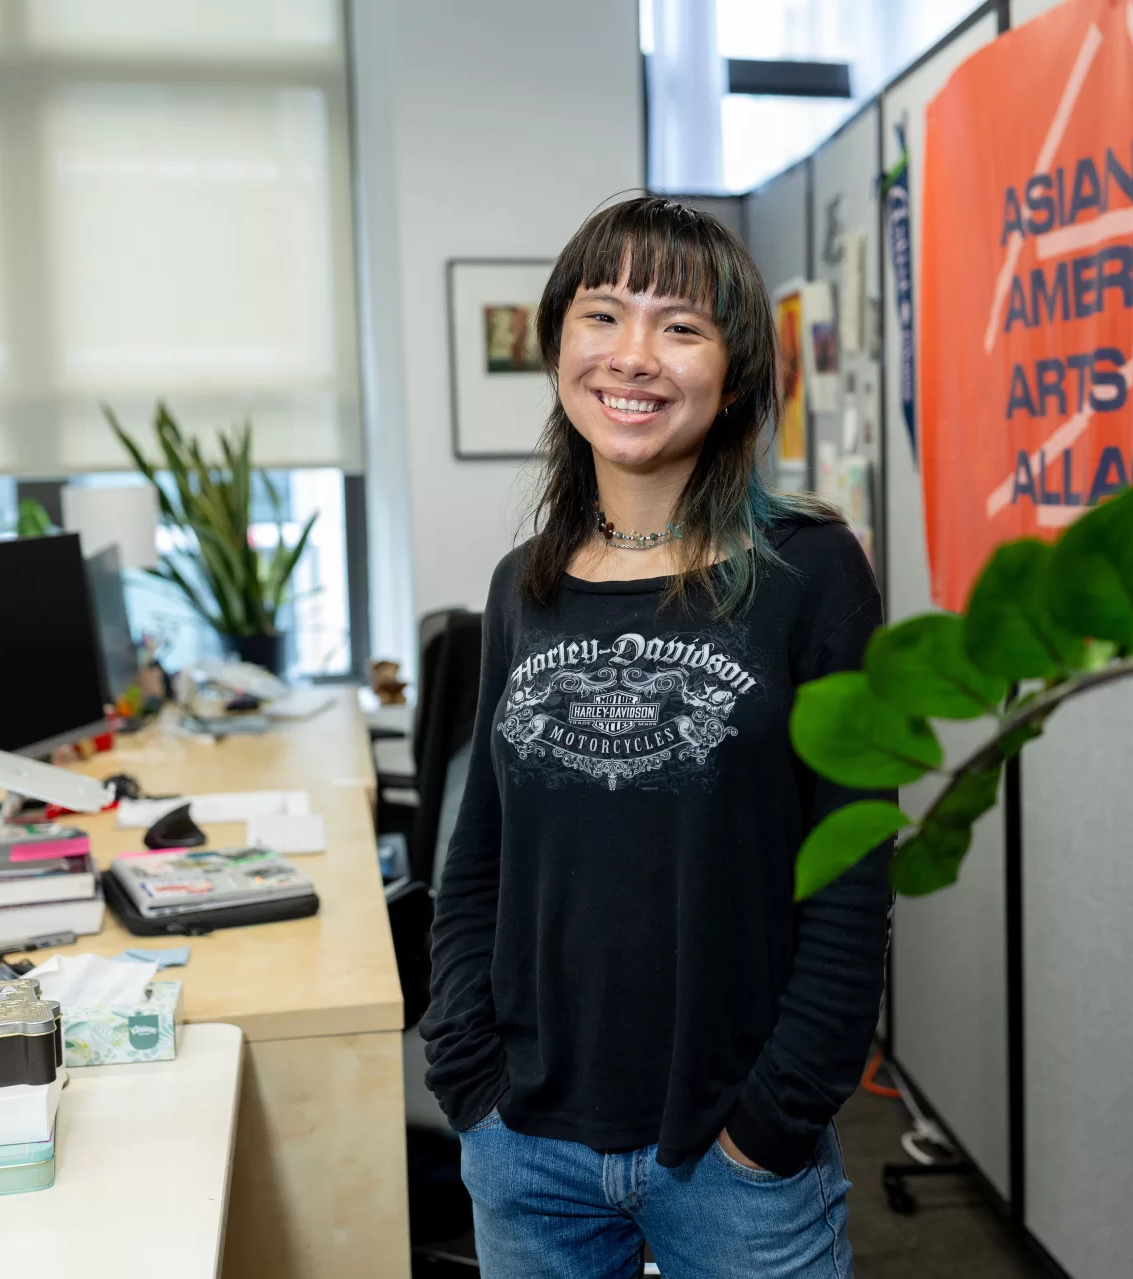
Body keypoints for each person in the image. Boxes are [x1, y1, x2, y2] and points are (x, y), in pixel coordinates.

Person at [421, 196, 892, 1278]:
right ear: (556, 345)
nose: (633, 356)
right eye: (602, 315)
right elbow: (477, 858)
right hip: (526, 1144)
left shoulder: (811, 574)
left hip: (731, 1154)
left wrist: (774, 1122)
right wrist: (468, 1081)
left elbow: (853, 874)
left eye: (680, 326)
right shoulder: (522, 587)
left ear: (732, 371)